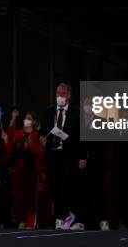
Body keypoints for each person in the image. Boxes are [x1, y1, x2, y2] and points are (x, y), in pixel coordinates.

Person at [39, 83, 88, 230]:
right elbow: (43, 131)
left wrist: (83, 157)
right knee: (53, 186)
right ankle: (61, 216)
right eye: (58, 93)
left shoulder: (76, 113)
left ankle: (64, 216)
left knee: (66, 187)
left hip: (69, 155)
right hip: (52, 154)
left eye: (63, 93)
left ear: (69, 96)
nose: (60, 96)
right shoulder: (49, 112)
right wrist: (42, 138)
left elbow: (82, 137)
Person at [2, 111, 44, 229]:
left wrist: (32, 145)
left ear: (34, 122)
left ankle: (31, 221)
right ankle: (21, 219)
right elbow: (10, 150)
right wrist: (6, 141)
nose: (26, 120)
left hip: (32, 169)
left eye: (29, 118)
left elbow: (41, 154)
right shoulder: (18, 133)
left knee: (31, 197)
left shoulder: (36, 135)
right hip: (19, 169)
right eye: (25, 118)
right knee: (18, 196)